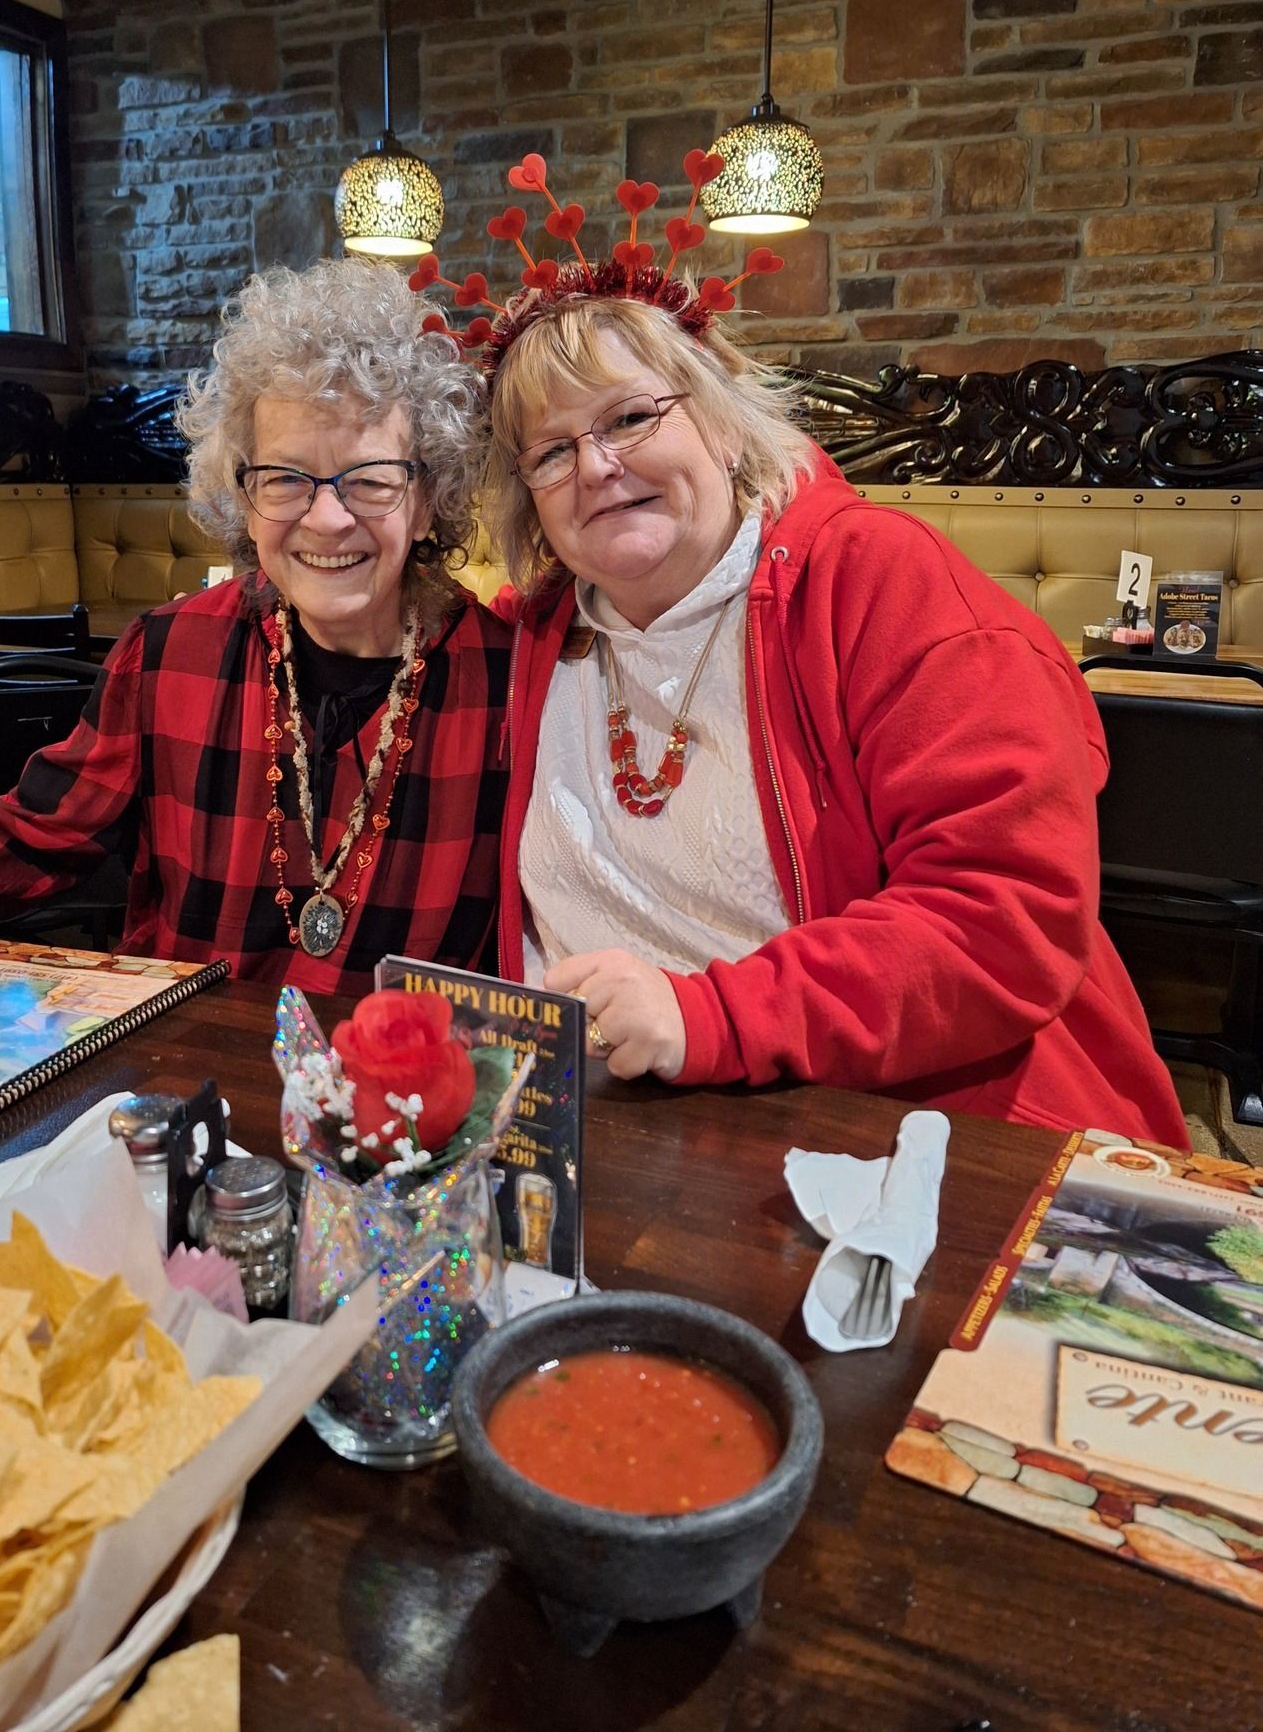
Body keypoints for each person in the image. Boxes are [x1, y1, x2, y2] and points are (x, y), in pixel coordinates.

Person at [470, 220, 1186, 1143]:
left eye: (630, 418)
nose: (597, 467)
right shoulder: (534, 640)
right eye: (551, 451)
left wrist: (710, 1018)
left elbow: (1003, 916)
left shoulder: (878, 580)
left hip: (914, 1136)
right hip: (611, 1140)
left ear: (723, 422)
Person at [0, 259, 510, 1003]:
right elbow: (29, 836)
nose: (328, 517)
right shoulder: (172, 653)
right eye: (285, 478)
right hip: (185, 1097)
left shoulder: (508, 683)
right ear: (241, 493)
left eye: (370, 480)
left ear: (427, 493)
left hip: (409, 1118)